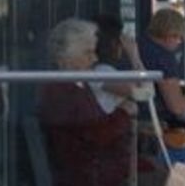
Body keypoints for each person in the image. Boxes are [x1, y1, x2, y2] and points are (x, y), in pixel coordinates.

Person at [38, 19, 134, 186]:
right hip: (88, 176)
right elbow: (95, 136)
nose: (95, 58)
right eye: (87, 53)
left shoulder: (78, 85)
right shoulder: (59, 92)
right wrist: (123, 113)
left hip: (106, 170)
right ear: (66, 57)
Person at [137, 9, 185, 181]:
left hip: (144, 117)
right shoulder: (163, 56)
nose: (180, 42)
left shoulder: (141, 44)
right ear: (169, 35)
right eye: (179, 37)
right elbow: (177, 106)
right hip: (157, 122)